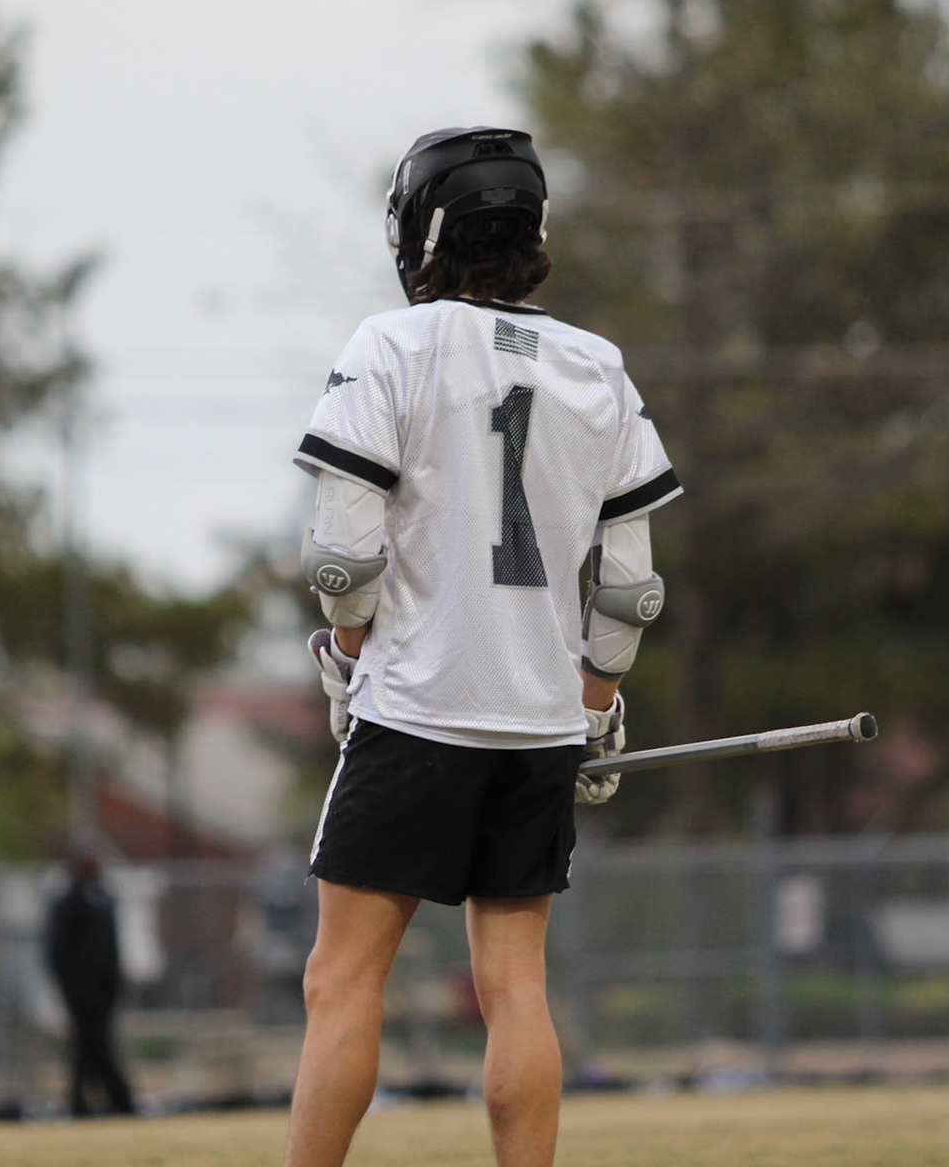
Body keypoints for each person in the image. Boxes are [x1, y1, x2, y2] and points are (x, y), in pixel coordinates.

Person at [286, 127, 679, 1167]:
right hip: (537, 723)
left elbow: (342, 561)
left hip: (417, 707)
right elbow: (630, 589)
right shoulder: (599, 365)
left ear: (421, 232)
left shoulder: (391, 346)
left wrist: (348, 657)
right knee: (516, 988)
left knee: (342, 981)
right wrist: (593, 705)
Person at [45, 846, 136, 1117]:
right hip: (81, 990)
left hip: (105, 988)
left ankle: (96, 1101)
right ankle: (111, 1101)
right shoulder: (69, 901)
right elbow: (59, 950)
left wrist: (113, 979)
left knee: (94, 1045)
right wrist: (73, 985)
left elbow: (111, 946)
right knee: (88, 1044)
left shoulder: (104, 897)